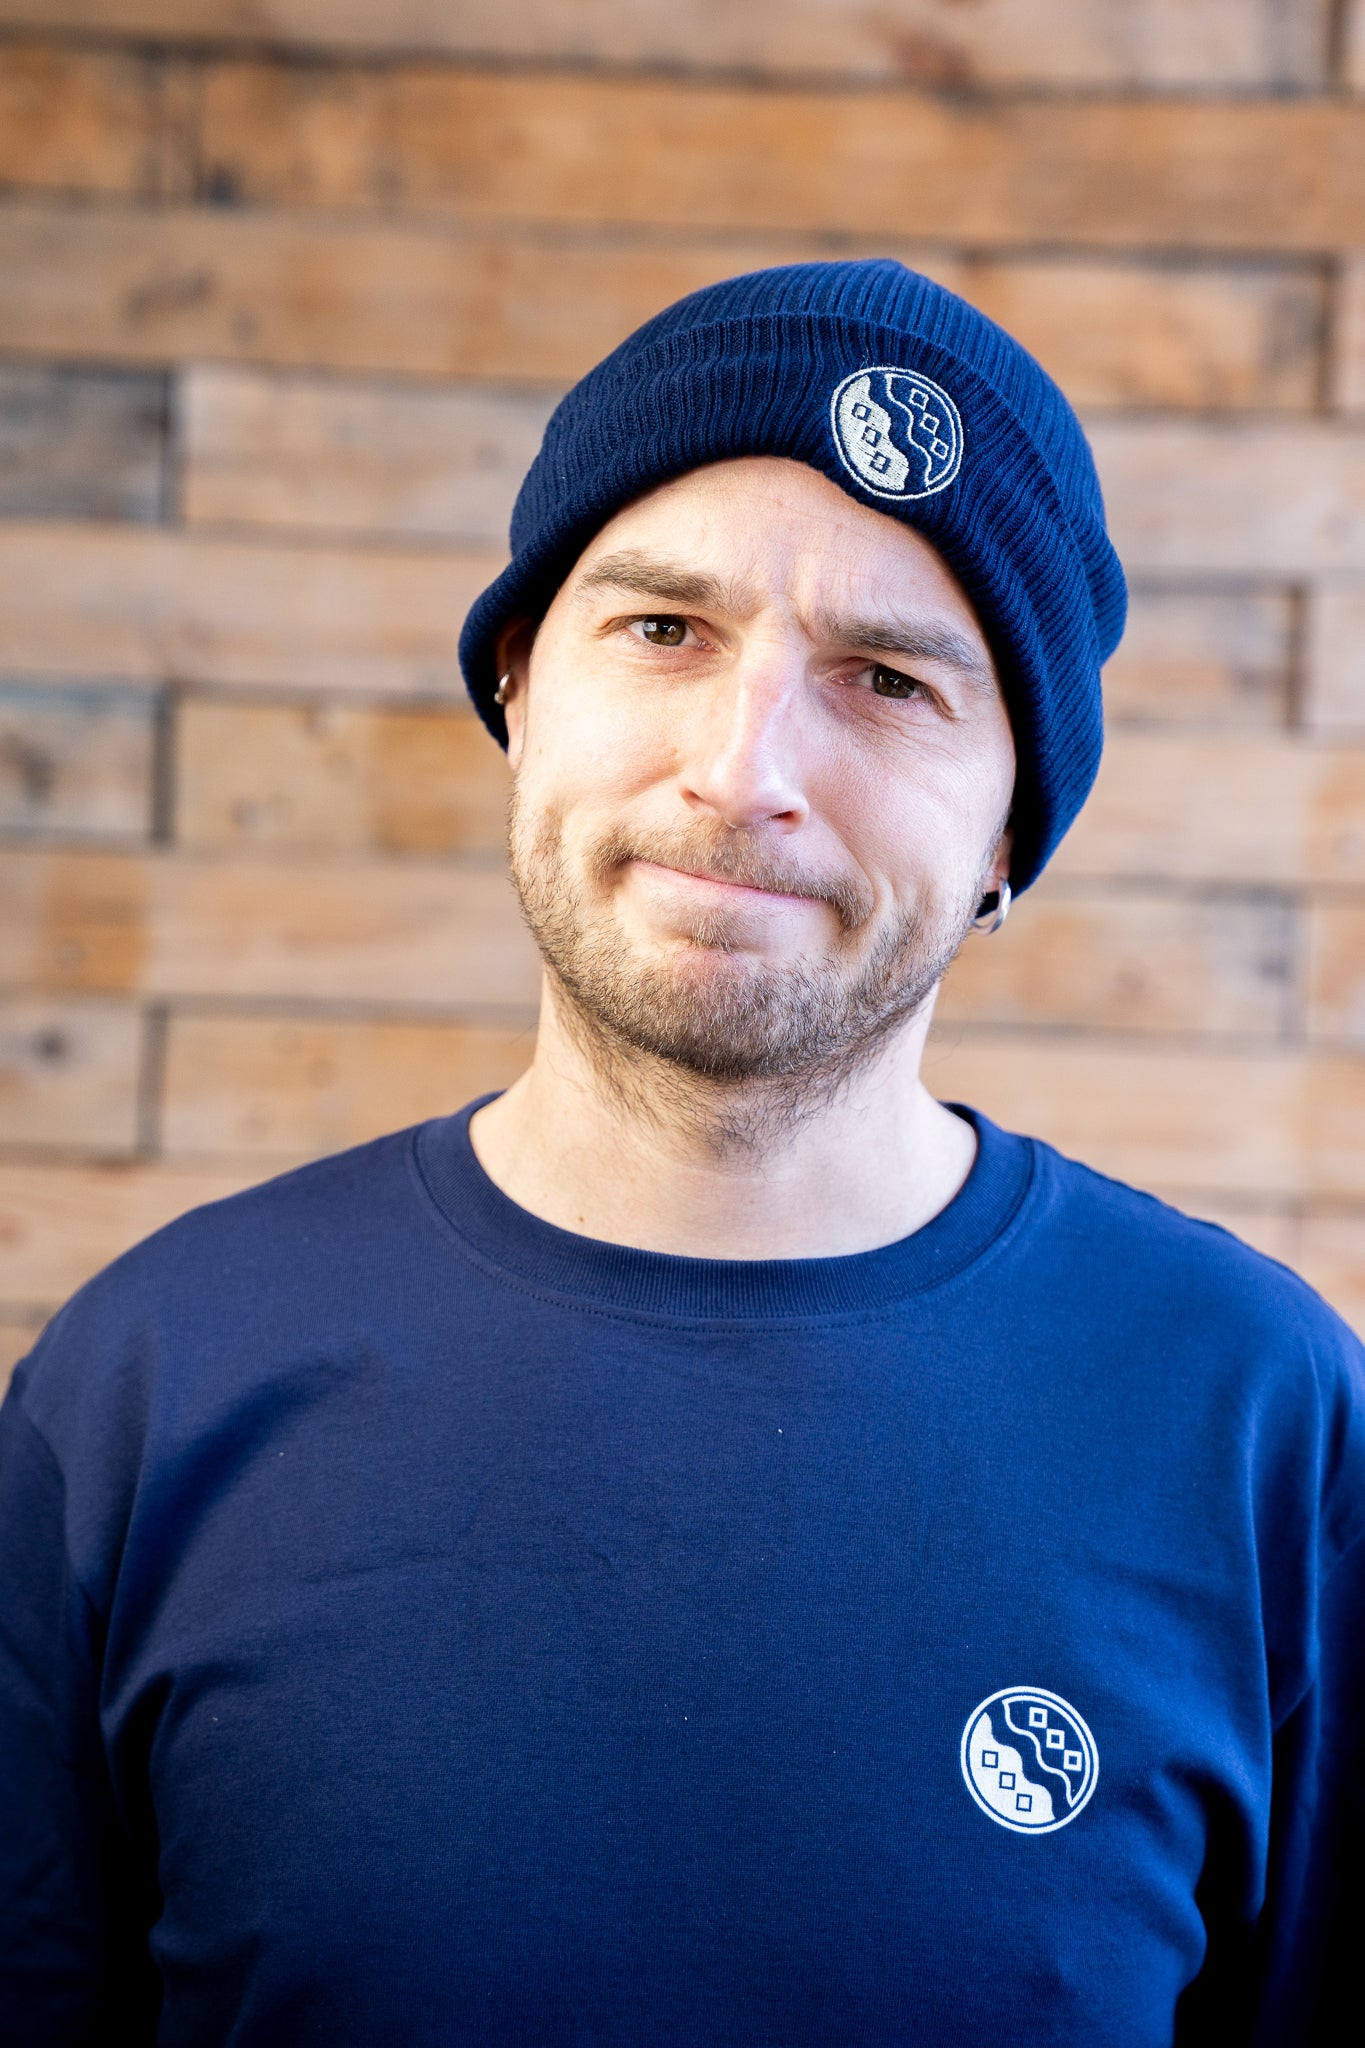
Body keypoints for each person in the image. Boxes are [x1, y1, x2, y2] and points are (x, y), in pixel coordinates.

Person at [0, 261, 1360, 2047]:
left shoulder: (1253, 1416)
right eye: (663, 632)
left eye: (884, 681)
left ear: (1009, 834)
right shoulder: (155, 1380)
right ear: (516, 679)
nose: (743, 768)